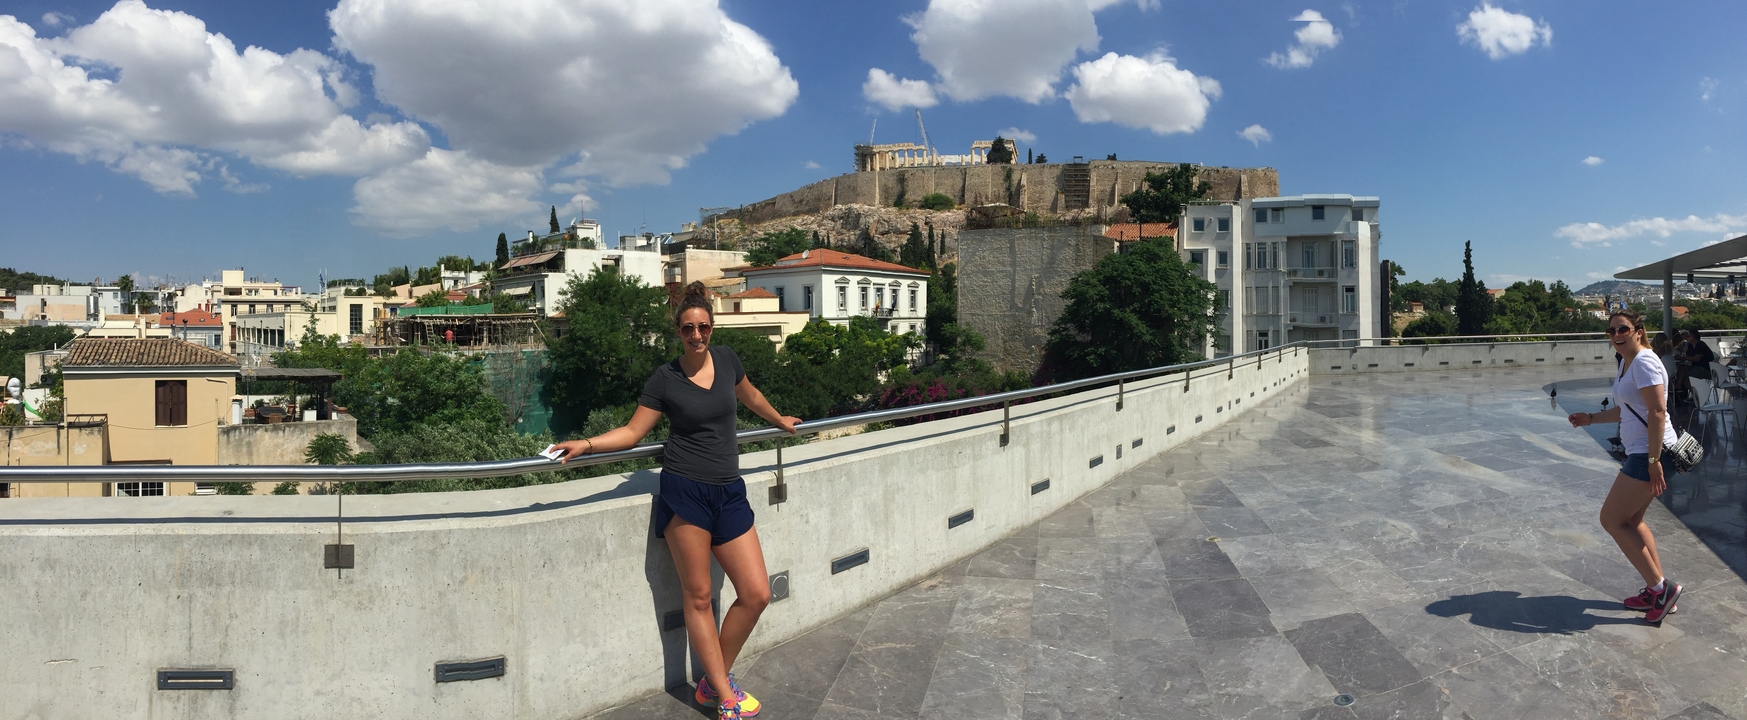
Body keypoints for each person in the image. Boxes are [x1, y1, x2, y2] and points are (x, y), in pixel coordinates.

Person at [551, 282, 798, 720]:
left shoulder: (728, 360)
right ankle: (724, 695)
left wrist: (779, 420)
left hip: (729, 490)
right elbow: (632, 433)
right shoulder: (665, 378)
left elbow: (751, 396)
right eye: (689, 329)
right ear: (678, 331)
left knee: (757, 593)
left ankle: (710, 681)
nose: (697, 335)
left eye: (703, 326)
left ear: (713, 326)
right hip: (685, 490)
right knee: (699, 595)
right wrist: (586, 445)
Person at [1569, 310, 1682, 624]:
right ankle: (1657, 589)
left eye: (1623, 329)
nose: (1616, 335)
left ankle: (1662, 589)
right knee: (1633, 519)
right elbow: (1627, 409)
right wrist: (1591, 418)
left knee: (1612, 519)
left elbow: (1658, 413)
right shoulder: (1628, 363)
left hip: (1647, 453)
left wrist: (1654, 461)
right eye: (1611, 331)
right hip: (1642, 451)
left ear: (1639, 331)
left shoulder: (1644, 362)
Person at [1673, 329, 1716, 404]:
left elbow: (1697, 358)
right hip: (1696, 367)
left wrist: (1682, 358)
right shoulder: (1691, 346)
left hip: (1705, 369)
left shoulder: (1700, 345)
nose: (1686, 338)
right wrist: (1682, 357)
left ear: (1693, 337)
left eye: (1688, 336)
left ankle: (1692, 393)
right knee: (1681, 369)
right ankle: (1681, 388)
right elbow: (1687, 356)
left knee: (1683, 376)